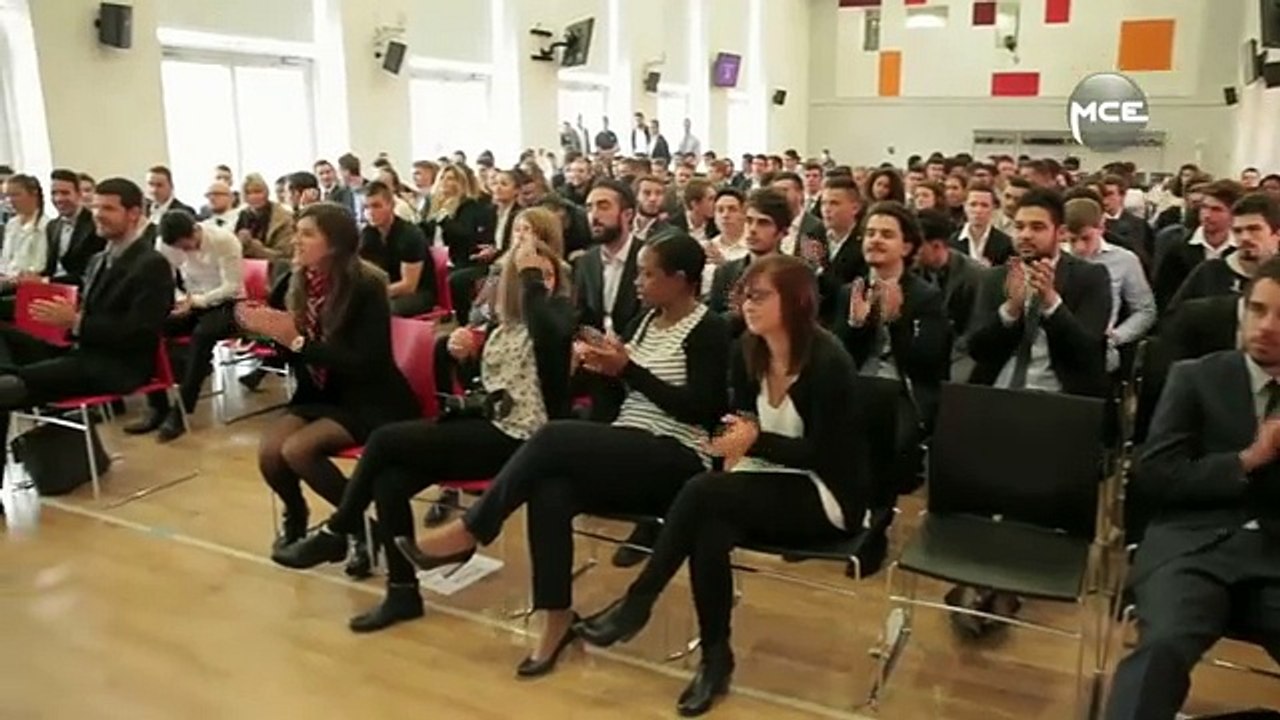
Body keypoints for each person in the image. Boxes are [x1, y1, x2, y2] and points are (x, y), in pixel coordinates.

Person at [400, 233, 730, 678]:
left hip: (677, 457)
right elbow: (620, 398)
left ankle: (472, 528)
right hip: (630, 446)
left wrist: (628, 369)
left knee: (553, 437)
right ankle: (555, 620)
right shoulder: (645, 321)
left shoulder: (708, 328)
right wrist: (596, 370)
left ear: (681, 280)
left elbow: (704, 411)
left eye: (649, 274)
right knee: (549, 489)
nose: (638, 281)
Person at [576, 254, 868, 717]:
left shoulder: (829, 362)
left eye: (760, 296)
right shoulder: (746, 352)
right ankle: (716, 659)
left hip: (825, 492)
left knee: (702, 493)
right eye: (745, 295)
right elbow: (733, 431)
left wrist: (754, 440)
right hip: (760, 482)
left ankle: (638, 603)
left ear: (796, 301)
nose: (748, 304)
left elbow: (828, 455)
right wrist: (740, 444)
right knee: (708, 527)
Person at [272, 238, 574, 631]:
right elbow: (483, 388)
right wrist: (456, 354)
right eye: (531, 276)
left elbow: (547, 337)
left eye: (546, 276)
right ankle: (402, 593)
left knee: (383, 441)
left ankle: (339, 528)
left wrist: (533, 275)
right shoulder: (502, 326)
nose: (539, 283)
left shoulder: (561, 320)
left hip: (525, 441)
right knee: (388, 480)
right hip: (486, 426)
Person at [1106, 258, 1280, 720]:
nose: (1267, 326)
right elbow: (1157, 476)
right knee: (1161, 647)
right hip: (1193, 547)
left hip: (1275, 555)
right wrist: (1246, 461)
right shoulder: (1197, 377)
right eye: (1257, 309)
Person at [239, 203, 419, 573]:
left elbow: (366, 361)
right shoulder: (295, 281)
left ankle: (352, 530)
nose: (296, 241)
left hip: (369, 397)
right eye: (297, 232)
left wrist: (300, 343)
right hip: (320, 393)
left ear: (334, 243)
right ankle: (301, 514)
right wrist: (266, 331)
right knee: (271, 453)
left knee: (299, 450)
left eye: (307, 234)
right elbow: (285, 348)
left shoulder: (366, 285)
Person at [0, 178, 173, 444]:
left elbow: (140, 334)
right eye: (94, 208)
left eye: (108, 209)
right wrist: (69, 321)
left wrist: (76, 321)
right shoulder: (98, 259)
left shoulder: (151, 264)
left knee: (8, 389)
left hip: (118, 365)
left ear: (134, 214)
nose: (98, 216)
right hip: (83, 350)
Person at [967, 188, 1112, 398]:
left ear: (1060, 232)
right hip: (998, 390)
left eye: (1037, 227)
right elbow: (976, 350)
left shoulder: (1090, 276)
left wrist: (1052, 303)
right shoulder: (995, 277)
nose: (1025, 235)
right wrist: (1010, 310)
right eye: (1019, 227)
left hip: (1060, 396)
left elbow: (1089, 353)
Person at [126, 210, 243, 441]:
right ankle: (157, 406)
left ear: (195, 230)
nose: (185, 251)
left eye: (187, 245)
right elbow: (166, 280)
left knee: (202, 336)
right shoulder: (165, 244)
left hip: (227, 303)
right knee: (150, 328)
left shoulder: (224, 240)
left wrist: (197, 302)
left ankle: (180, 412)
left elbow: (232, 286)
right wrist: (180, 299)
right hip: (189, 300)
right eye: (179, 248)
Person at [1168, 192, 1280, 311]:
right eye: (1238, 231)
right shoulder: (1209, 273)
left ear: (1277, 233)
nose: (1245, 237)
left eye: (1254, 229)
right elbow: (1174, 320)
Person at [423, 163, 495, 324]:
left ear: (461, 183)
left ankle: (463, 321)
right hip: (434, 256)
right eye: (442, 178)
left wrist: (444, 220)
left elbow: (465, 235)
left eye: (451, 179)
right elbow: (424, 231)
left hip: (460, 258)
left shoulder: (468, 205)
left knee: (455, 279)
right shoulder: (431, 202)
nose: (446, 183)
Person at [359, 180, 436, 317]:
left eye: (376, 206)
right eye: (366, 207)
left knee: (383, 310)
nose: (370, 212)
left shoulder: (411, 235)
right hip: (387, 289)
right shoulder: (367, 234)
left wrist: (374, 294)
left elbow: (409, 285)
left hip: (419, 293)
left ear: (391, 205)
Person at [44, 168, 105, 287]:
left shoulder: (95, 224)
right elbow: (51, 268)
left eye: (65, 193)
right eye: (54, 193)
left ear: (79, 194)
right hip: (53, 288)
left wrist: (46, 281)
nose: (58, 199)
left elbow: (89, 274)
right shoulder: (52, 226)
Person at [234, 173, 296, 270]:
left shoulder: (283, 218)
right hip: (243, 270)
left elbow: (286, 257)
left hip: (274, 272)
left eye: (258, 192)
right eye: (249, 193)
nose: (254, 196)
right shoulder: (239, 215)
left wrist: (258, 249)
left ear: (266, 192)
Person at [1, 174, 50, 284]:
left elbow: (38, 265)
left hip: (24, 284)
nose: (10, 200)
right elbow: (6, 259)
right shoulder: (12, 224)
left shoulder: (45, 225)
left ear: (33, 194)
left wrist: (13, 277)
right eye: (7, 196)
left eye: (16, 195)